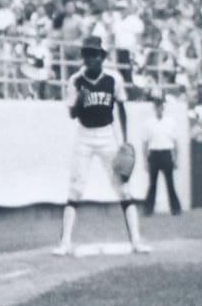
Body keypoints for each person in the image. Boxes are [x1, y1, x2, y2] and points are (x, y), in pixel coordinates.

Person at [53, 35, 147, 255]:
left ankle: (136, 241)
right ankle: (64, 242)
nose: (90, 58)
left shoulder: (113, 79)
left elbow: (121, 109)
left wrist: (125, 140)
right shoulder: (76, 80)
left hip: (107, 135)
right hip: (84, 136)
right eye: (86, 54)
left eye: (94, 54)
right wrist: (79, 101)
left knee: (123, 187)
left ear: (102, 57)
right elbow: (72, 114)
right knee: (76, 187)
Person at [139, 94, 182, 217]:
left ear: (163, 107)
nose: (159, 109)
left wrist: (176, 158)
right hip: (154, 155)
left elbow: (176, 142)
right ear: (154, 108)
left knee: (170, 183)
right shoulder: (149, 123)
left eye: (161, 106)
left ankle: (176, 209)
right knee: (152, 184)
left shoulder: (170, 122)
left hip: (166, 154)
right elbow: (145, 143)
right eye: (156, 106)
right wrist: (145, 160)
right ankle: (148, 210)